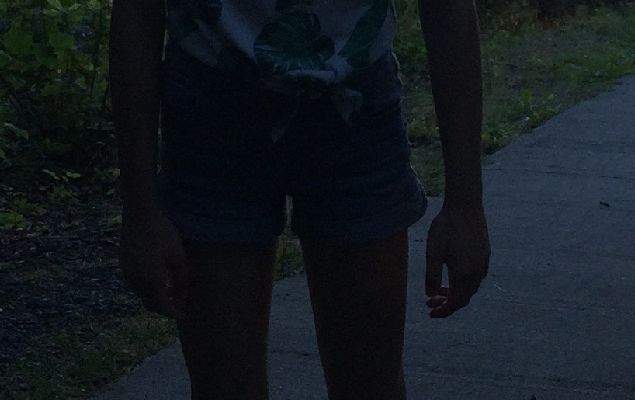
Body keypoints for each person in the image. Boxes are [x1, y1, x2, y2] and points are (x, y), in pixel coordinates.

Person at [109, 0, 489, 398]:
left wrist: (465, 202)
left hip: (353, 107)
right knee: (224, 385)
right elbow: (137, 11)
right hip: (212, 106)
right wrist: (140, 211)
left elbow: (447, 9)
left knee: (370, 382)